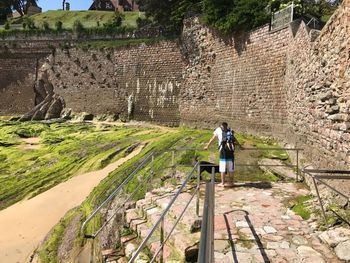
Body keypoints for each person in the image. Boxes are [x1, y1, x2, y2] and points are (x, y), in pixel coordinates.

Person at [204, 122, 241, 187]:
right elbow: (234, 139)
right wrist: (240, 146)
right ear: (227, 125)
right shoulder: (230, 130)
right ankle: (231, 183)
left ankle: (222, 183)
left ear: (221, 125)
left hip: (223, 151)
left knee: (222, 168)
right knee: (231, 168)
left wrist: (207, 146)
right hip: (231, 152)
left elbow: (213, 138)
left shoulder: (218, 130)